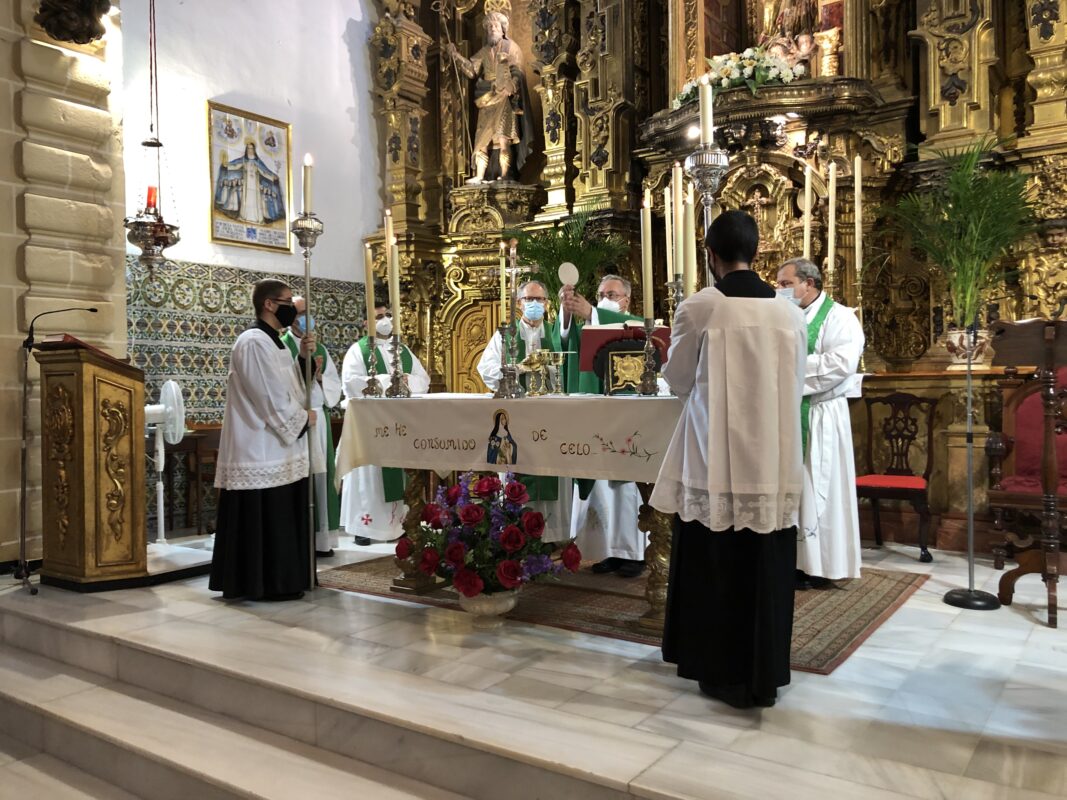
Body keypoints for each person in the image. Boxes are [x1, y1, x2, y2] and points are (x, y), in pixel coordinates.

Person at [651, 211, 807, 708]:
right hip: (772, 456)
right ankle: (763, 671)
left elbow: (676, 382)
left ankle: (714, 666)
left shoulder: (700, 307)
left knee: (714, 562)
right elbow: (798, 382)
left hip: (713, 459)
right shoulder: (790, 313)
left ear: (710, 255)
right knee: (765, 561)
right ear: (755, 254)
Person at [210, 279, 313, 601]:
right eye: (287, 303)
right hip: (259, 444)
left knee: (280, 514)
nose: (293, 312)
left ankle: (284, 580)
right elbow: (268, 394)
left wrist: (305, 362)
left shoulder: (279, 342)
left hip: (278, 445)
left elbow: (291, 386)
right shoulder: (253, 341)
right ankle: (262, 582)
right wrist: (298, 420)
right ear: (269, 304)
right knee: (265, 517)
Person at [776, 257, 865, 586]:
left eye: (786, 284)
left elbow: (841, 363)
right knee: (791, 488)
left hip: (821, 414)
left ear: (808, 284)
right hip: (786, 414)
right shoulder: (784, 318)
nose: (779, 290)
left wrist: (789, 368)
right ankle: (792, 562)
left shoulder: (841, 317)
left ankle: (823, 566)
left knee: (821, 485)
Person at [556, 275, 649, 578]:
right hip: (596, 414)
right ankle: (609, 550)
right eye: (600, 294)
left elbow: (630, 332)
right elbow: (565, 344)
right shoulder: (589, 326)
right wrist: (567, 315)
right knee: (600, 484)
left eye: (612, 293)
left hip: (627, 416)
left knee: (625, 487)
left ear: (627, 300)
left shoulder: (637, 324)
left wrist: (593, 313)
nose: (605, 297)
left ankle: (634, 553)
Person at [477, 280, 572, 543]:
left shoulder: (557, 334)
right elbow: (485, 369)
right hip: (515, 419)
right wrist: (517, 370)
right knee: (517, 471)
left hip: (551, 418)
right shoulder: (504, 336)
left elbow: (569, 370)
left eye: (539, 300)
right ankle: (514, 534)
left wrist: (550, 371)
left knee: (552, 470)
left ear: (547, 304)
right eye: (529, 300)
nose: (534, 305)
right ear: (519, 304)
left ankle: (553, 535)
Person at [339, 297, 430, 546]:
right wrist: (394, 380)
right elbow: (352, 384)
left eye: (388, 315)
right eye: (378, 317)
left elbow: (423, 379)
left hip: (400, 424)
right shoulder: (358, 351)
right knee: (369, 476)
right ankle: (364, 527)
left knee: (398, 473)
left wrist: (400, 380)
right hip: (371, 424)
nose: (385, 321)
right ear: (366, 322)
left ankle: (398, 525)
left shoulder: (402, 350)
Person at [280, 298, 343, 557]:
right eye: (301, 313)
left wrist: (317, 377)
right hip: (298, 420)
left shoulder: (321, 349)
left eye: (308, 312)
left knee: (321, 477)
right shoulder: (282, 347)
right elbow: (284, 386)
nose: (306, 318)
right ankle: (302, 538)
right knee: (302, 475)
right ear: (292, 318)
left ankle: (322, 539)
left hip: (320, 418)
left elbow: (333, 384)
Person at [444, 11, 535, 184]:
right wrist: (456, 55)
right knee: (481, 141)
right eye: (489, 27)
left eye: (495, 26)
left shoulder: (511, 47)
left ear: (503, 30)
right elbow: (471, 70)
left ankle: (506, 173)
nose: (492, 29)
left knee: (503, 139)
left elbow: (517, 70)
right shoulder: (484, 51)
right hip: (486, 99)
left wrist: (512, 84)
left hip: (503, 98)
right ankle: (479, 175)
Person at [213, 141, 286, 225]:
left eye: (251, 149)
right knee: (246, 200)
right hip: (247, 186)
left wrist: (272, 177)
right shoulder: (244, 160)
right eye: (248, 149)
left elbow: (264, 172)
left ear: (254, 150)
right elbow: (235, 165)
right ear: (246, 150)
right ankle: (245, 217)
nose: (250, 151)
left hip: (255, 186)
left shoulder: (258, 162)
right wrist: (226, 165)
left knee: (255, 201)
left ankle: (257, 219)